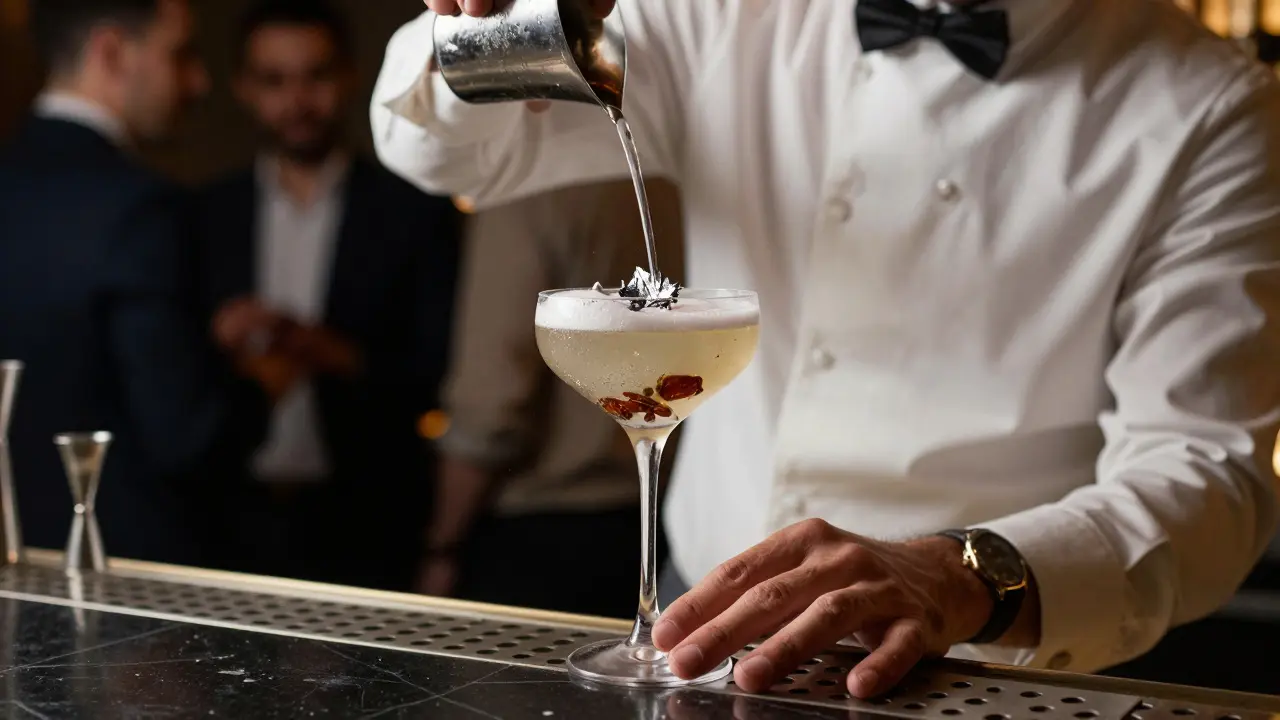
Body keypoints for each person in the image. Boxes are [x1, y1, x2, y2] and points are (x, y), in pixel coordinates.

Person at [372, 0, 1280, 699]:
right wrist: (504, 17)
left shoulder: (1213, 103)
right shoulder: (728, 14)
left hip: (984, 665)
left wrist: (964, 575)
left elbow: (1208, 473)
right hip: (700, 634)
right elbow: (441, 151)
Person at [198, 0, 460, 591]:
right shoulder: (206, 214)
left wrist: (336, 354)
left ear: (348, 77)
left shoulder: (411, 211)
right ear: (244, 88)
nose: (297, 101)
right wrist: (216, 339)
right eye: (274, 81)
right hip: (231, 516)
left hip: (368, 517)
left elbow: (441, 371)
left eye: (315, 76)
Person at [0, 0, 257, 565]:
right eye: (180, 54)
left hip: (13, 554)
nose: (199, 81)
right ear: (112, 52)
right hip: (122, 571)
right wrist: (260, 380)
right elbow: (184, 438)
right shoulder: (143, 206)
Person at [425, 178, 684, 617]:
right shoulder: (669, 178)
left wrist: (442, 544)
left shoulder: (530, 187)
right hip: (658, 520)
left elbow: (493, 407)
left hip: (543, 531)